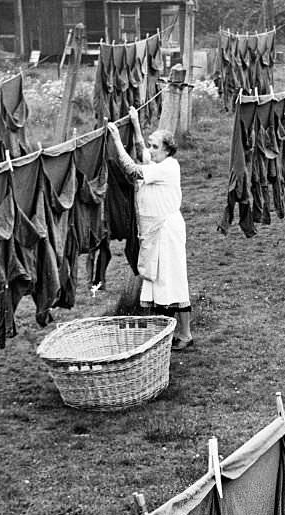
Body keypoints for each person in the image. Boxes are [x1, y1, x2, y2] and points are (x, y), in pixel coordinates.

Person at [106, 108, 193, 349]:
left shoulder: (167, 168)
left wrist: (115, 139)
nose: (151, 150)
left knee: (173, 281)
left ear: (167, 150)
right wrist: (134, 122)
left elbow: (133, 170)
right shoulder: (157, 161)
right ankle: (162, 333)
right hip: (156, 232)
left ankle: (185, 335)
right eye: (152, 145)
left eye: (156, 147)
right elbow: (141, 149)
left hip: (167, 231)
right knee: (155, 282)